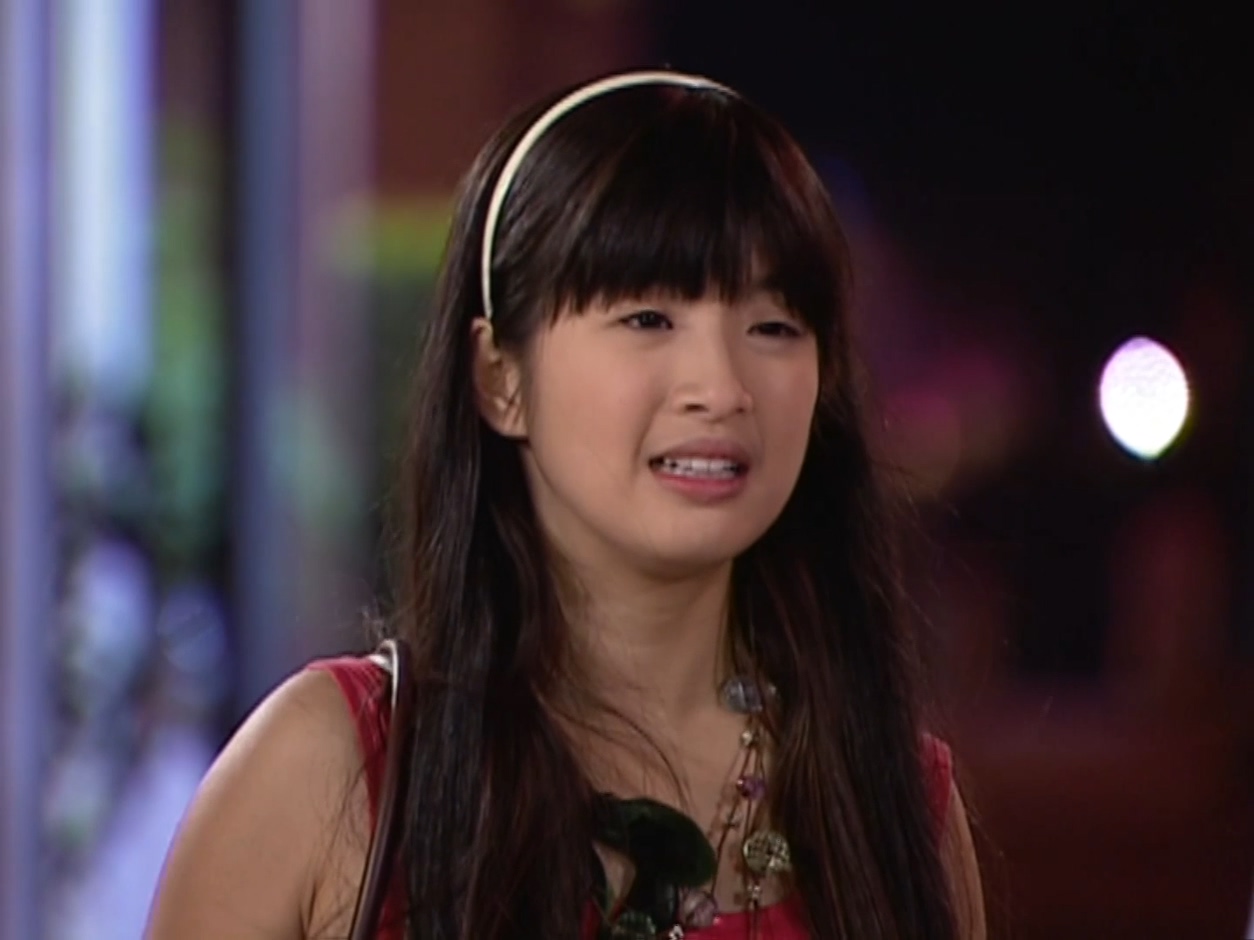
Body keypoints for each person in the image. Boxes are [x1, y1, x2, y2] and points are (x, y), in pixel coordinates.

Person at [146, 70, 985, 939]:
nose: (721, 386)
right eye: (648, 318)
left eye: (774, 327)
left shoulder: (892, 802)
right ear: (500, 378)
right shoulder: (330, 768)